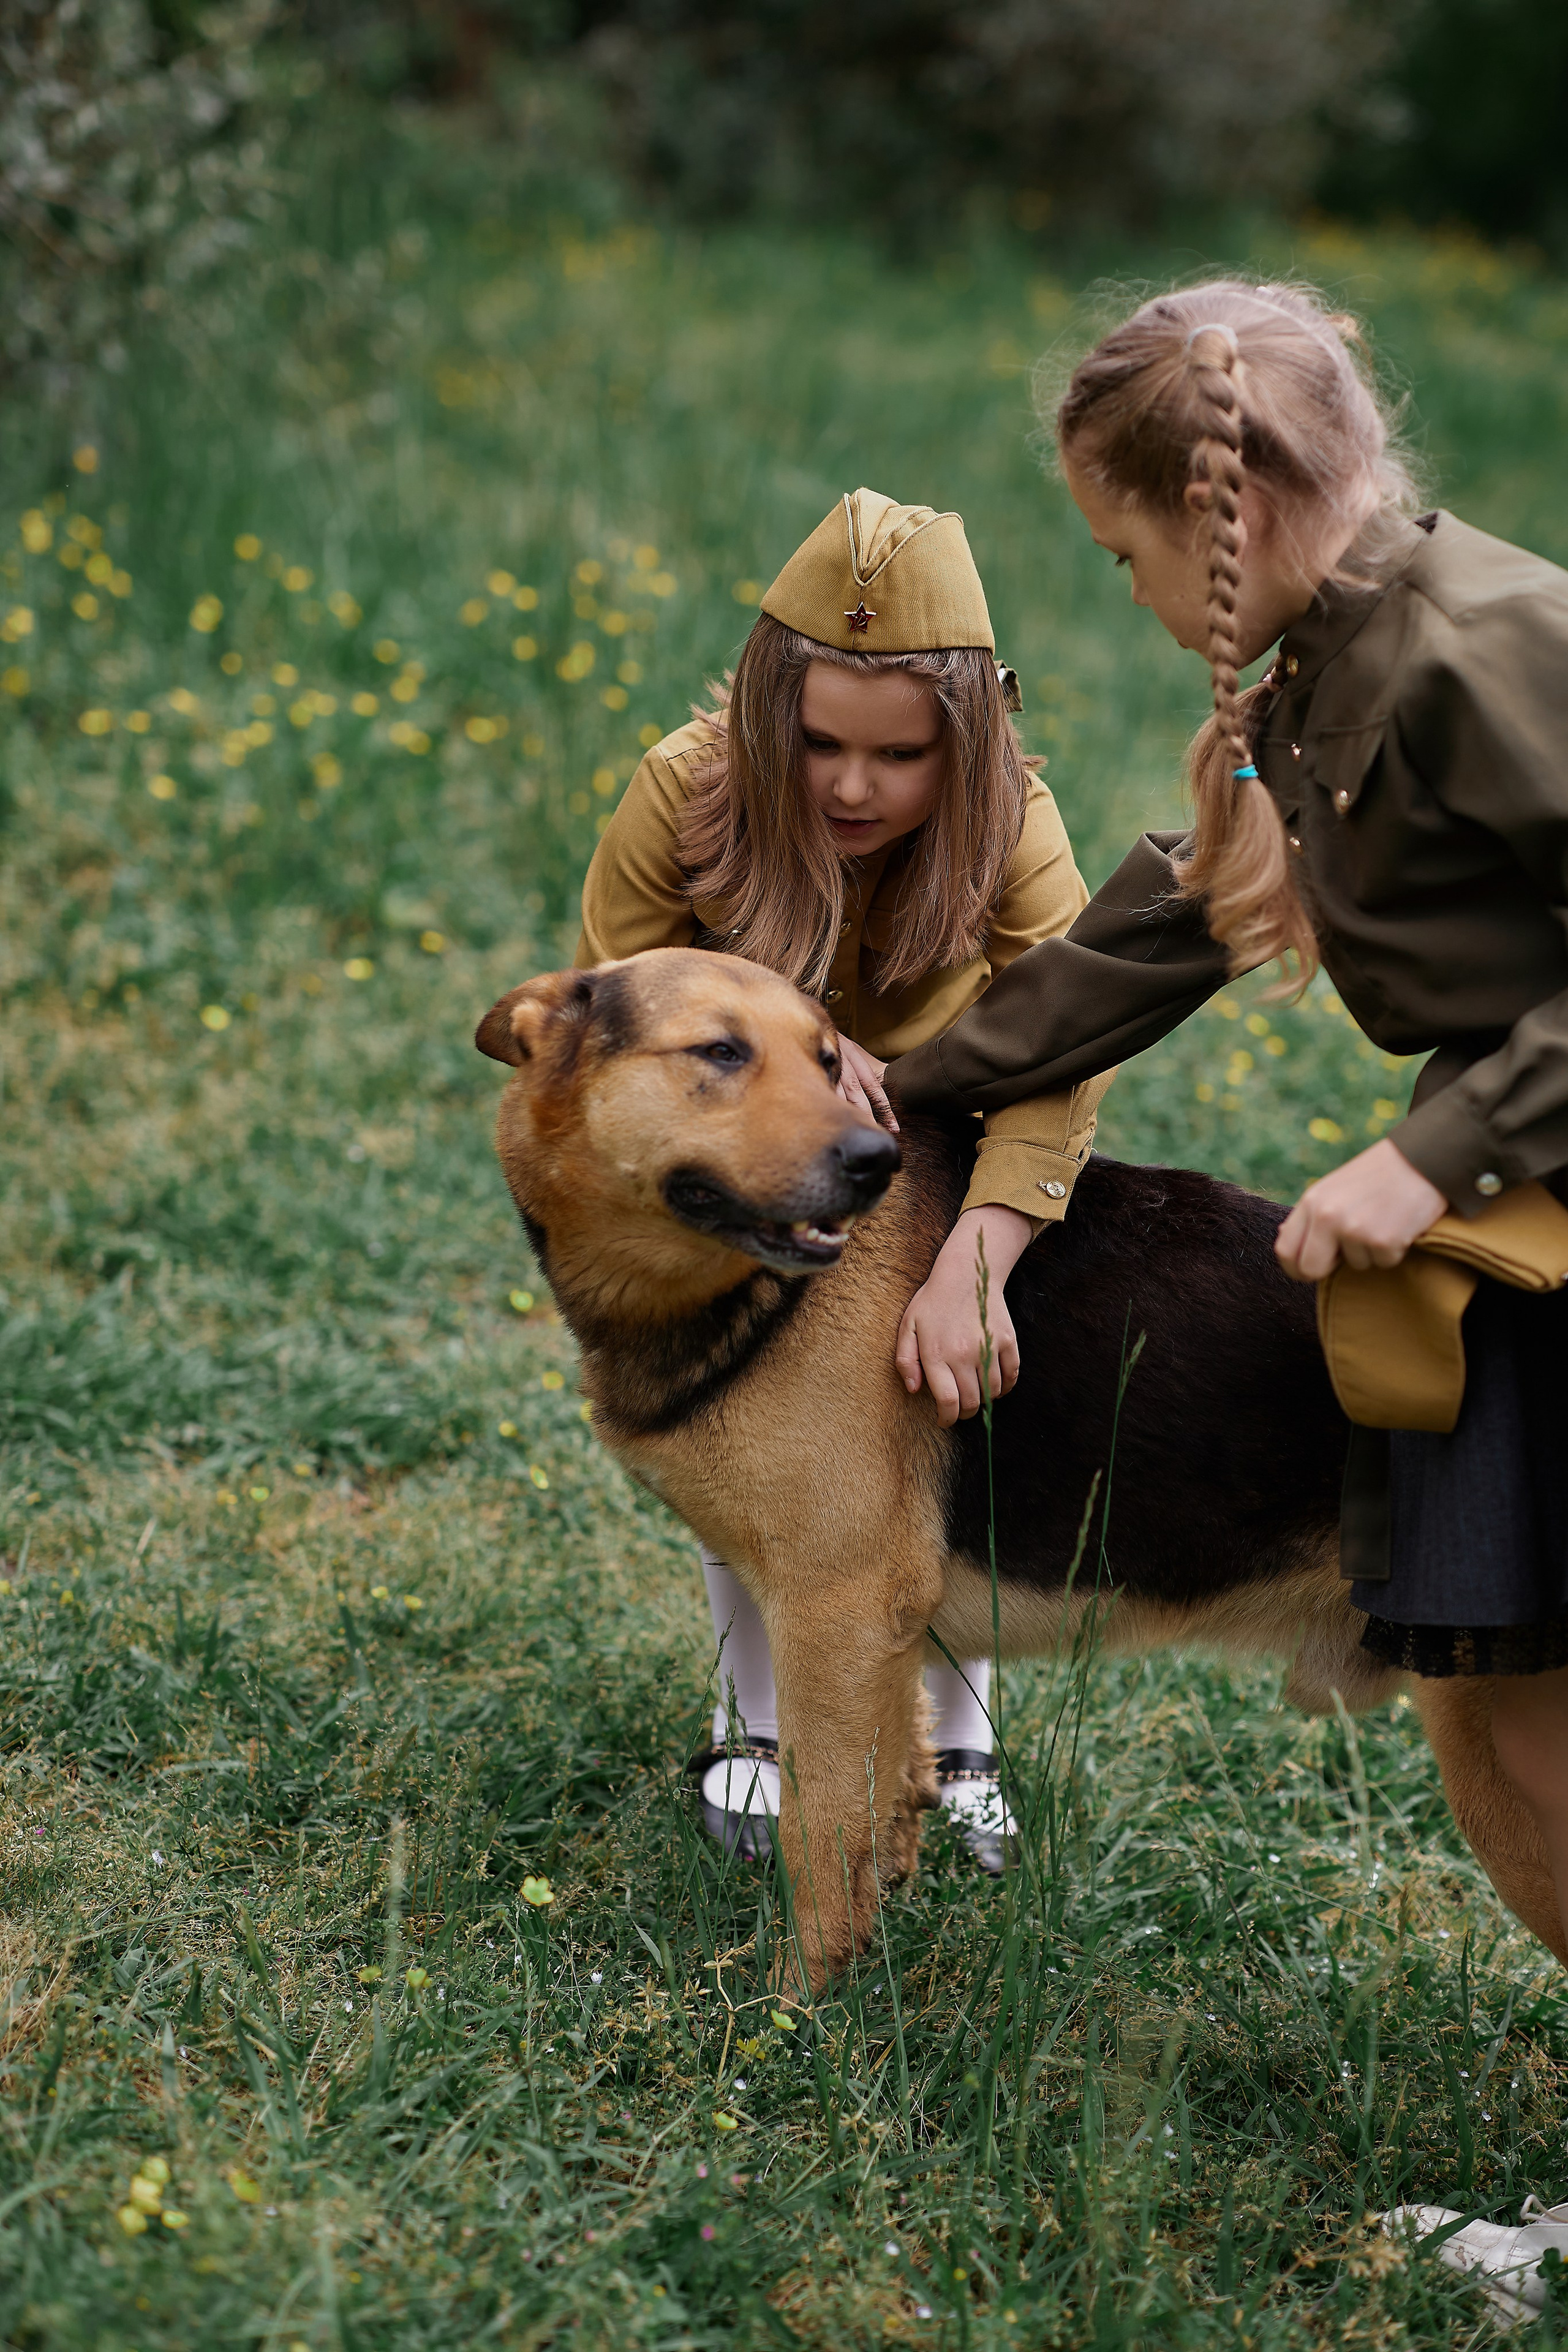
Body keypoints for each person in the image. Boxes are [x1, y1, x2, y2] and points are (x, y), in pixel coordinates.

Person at [875, 279, 1568, 2283]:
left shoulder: (1486, 644)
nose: (1127, 589)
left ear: (1223, 509)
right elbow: (1167, 930)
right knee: (1497, 1716)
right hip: (1514, 1225)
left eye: (1124, 551)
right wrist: (896, 1086)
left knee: (1537, 1733)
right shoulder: (1315, 681)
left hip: (1526, 1198)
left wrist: (1427, 1154)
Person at [576, 488, 1110, 1868]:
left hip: (947, 1147)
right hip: (742, 1151)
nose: (853, 788)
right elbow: (619, 1014)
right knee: (744, 1402)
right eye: (817, 743)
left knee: (946, 1369)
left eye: (900, 754)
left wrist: (981, 1255)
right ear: (768, 718)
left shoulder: (1016, 824)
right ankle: (757, 1719)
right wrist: (803, 1054)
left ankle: (956, 1725)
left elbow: (1069, 1046)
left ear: (968, 741)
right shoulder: (680, 789)